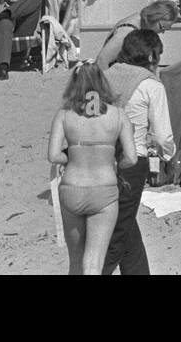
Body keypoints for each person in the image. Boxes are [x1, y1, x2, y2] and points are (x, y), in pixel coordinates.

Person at [96, 29, 174, 275]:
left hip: (97, 162)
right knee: (117, 235)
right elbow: (163, 136)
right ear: (151, 56)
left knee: (126, 229)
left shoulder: (103, 77)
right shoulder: (151, 85)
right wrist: (169, 158)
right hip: (130, 164)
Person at [49, 63, 137, 275]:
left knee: (76, 260)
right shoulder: (118, 115)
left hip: (72, 187)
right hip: (104, 188)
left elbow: (53, 155)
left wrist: (70, 158)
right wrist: (115, 164)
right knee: (94, 261)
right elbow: (132, 158)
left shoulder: (64, 115)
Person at [98, 0, 180, 67]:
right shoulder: (127, 31)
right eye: (163, 27)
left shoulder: (140, 24)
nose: (162, 32)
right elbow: (102, 60)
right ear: (155, 18)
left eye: (167, 29)